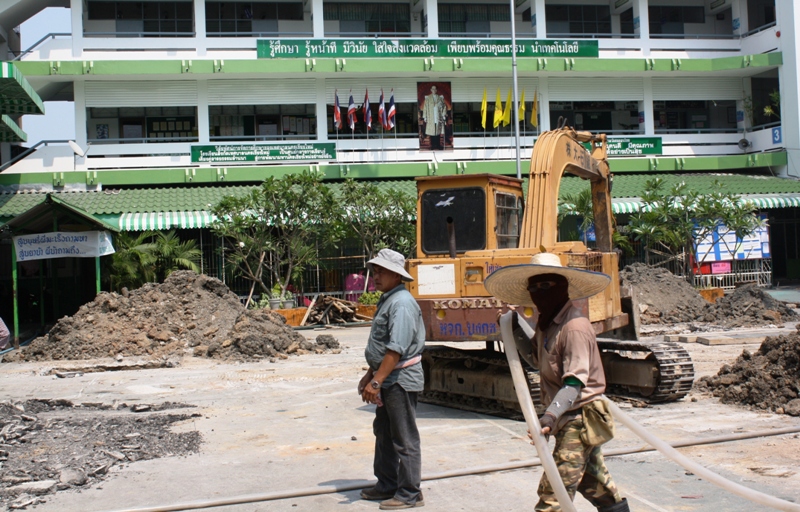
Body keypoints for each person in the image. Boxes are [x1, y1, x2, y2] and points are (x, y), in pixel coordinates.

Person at [484, 252, 630, 512]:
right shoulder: (546, 324)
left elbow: (574, 383)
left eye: (546, 286)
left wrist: (549, 417)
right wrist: (514, 328)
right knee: (597, 485)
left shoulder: (574, 327)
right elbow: (535, 360)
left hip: (579, 418)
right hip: (566, 418)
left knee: (554, 494)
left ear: (561, 287)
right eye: (534, 287)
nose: (540, 292)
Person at [358, 248, 426, 510]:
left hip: (399, 379)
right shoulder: (389, 299)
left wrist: (376, 382)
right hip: (388, 378)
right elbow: (381, 346)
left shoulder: (401, 303)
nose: (376, 275)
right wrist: (370, 375)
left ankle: (410, 493)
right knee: (384, 432)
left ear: (397, 276)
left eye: (381, 271)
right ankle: (387, 484)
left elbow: (395, 349)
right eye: (375, 270)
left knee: (403, 436)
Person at [421, 85, 447, 150]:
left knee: (438, 132)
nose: (434, 90)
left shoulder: (440, 98)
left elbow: (444, 106)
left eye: (435, 89)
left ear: (436, 90)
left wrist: (443, 115)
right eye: (433, 89)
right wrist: (425, 117)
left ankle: (438, 145)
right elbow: (425, 108)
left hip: (438, 117)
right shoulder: (428, 98)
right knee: (432, 132)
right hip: (431, 117)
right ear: (431, 90)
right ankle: (432, 145)